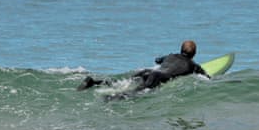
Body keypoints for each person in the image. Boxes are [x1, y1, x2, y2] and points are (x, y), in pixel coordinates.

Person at [77, 40, 208, 91]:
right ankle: (111, 99)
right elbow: (205, 76)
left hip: (147, 72)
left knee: (120, 83)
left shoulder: (170, 56)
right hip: (157, 77)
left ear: (180, 50)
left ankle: (94, 82)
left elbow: (157, 60)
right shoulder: (193, 65)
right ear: (194, 54)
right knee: (135, 94)